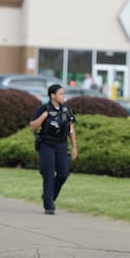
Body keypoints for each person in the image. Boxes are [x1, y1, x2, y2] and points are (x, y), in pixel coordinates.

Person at [29, 84, 77, 215]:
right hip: (47, 145)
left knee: (63, 173)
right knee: (48, 174)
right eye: (61, 94)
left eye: (63, 94)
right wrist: (43, 117)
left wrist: (74, 147)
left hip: (61, 145)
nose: (63, 96)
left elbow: (71, 129)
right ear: (53, 95)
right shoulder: (43, 109)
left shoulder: (66, 111)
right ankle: (49, 205)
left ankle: (48, 196)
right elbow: (32, 126)